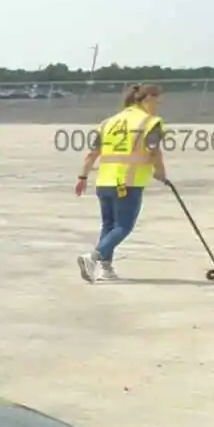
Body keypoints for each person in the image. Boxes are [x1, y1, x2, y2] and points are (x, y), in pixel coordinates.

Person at [75, 84, 168, 282]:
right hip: (128, 182)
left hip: (104, 181)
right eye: (156, 101)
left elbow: (92, 153)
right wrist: (160, 173)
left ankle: (106, 270)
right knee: (123, 226)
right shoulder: (151, 122)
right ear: (146, 99)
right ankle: (92, 257)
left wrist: (82, 177)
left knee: (109, 226)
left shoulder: (108, 122)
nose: (158, 105)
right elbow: (153, 150)